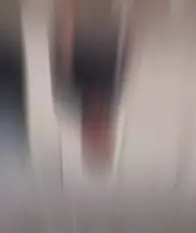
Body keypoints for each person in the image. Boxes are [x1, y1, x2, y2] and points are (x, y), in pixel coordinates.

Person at [52, 0, 141, 172]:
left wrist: (69, 16)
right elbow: (125, 58)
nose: (104, 129)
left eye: (98, 138)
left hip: (82, 25)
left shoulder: (68, 100)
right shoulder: (113, 100)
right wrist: (133, 24)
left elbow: (60, 51)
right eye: (106, 137)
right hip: (105, 25)